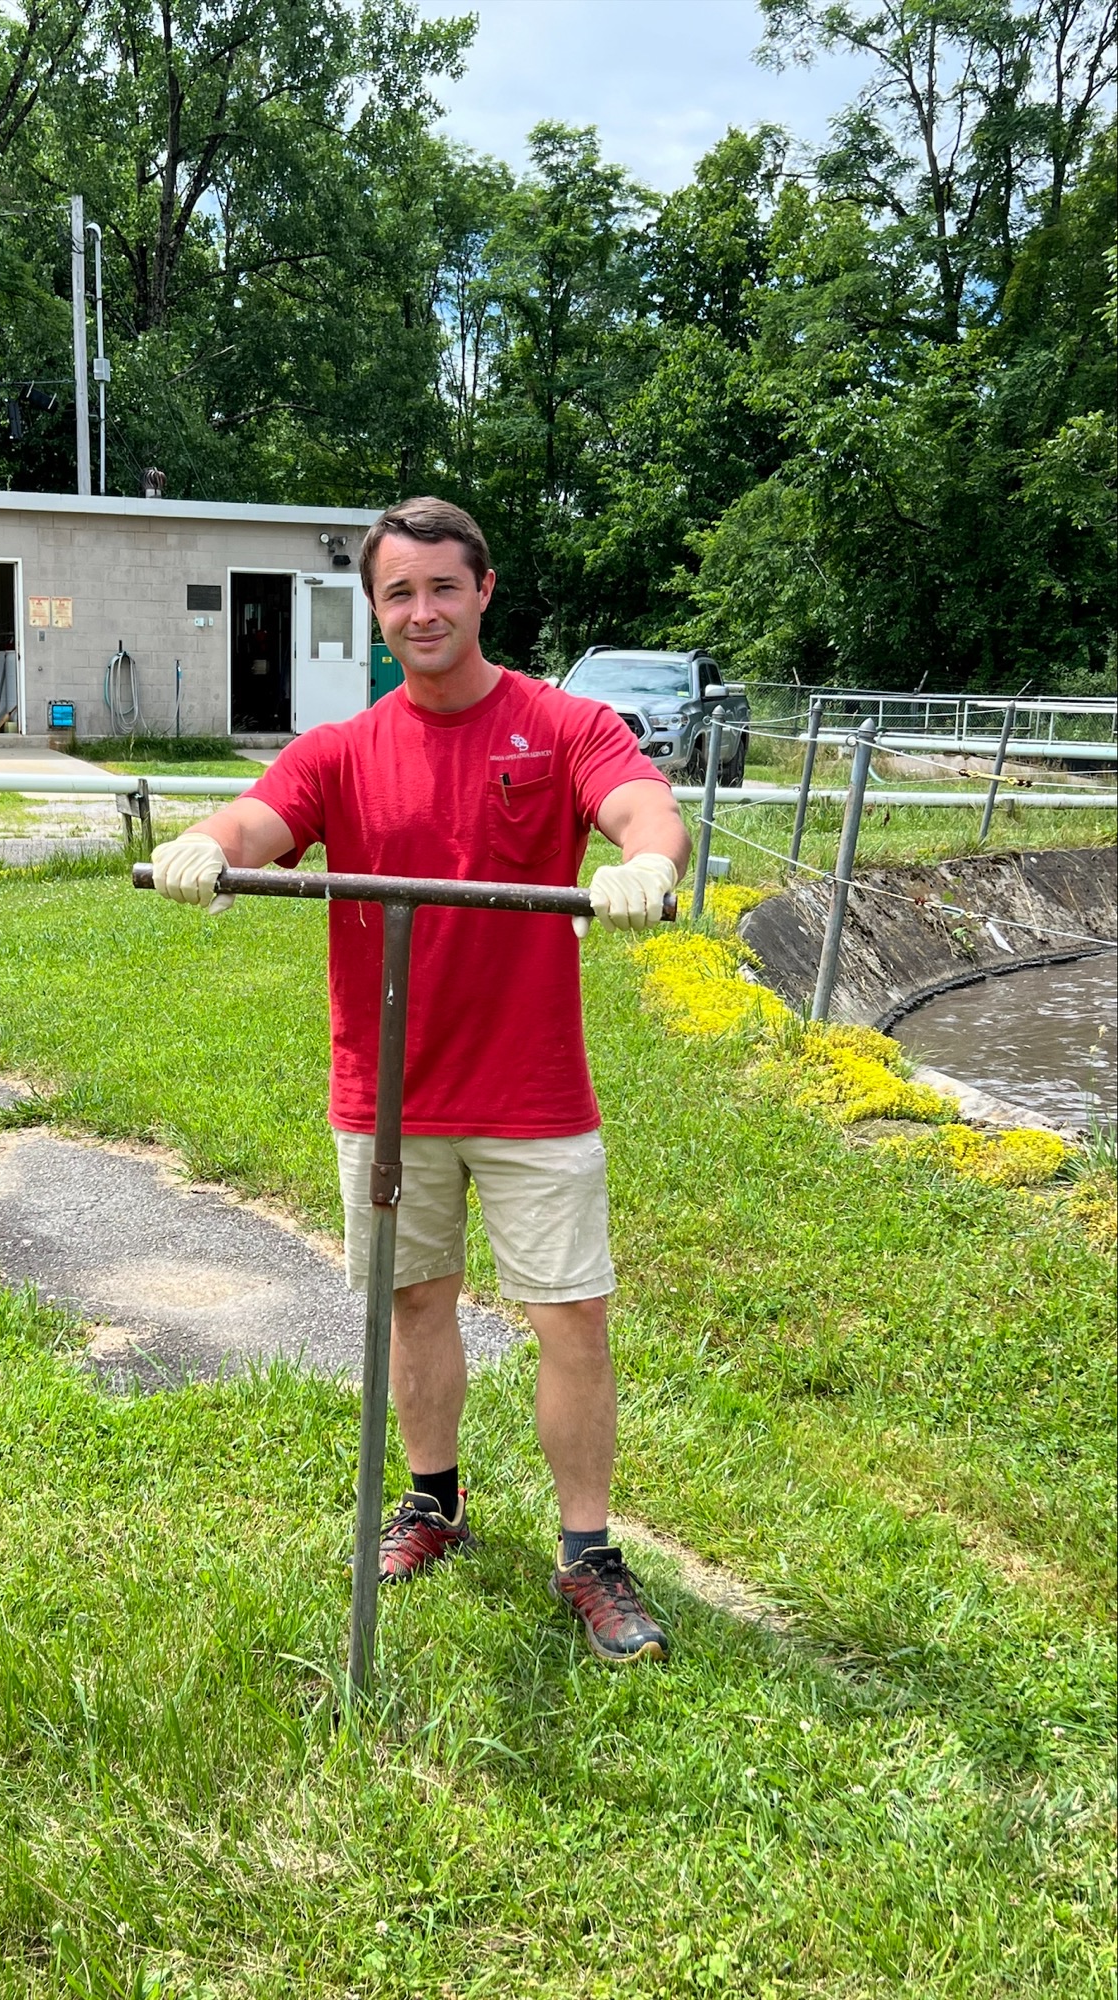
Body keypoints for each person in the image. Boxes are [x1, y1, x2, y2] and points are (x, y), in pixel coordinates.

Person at [149, 497, 690, 1664]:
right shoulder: (345, 747)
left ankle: (587, 1551)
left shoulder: (559, 722)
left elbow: (638, 800)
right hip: (388, 1088)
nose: (422, 610)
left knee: (571, 1317)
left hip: (533, 1087)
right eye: (399, 593)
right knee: (415, 1301)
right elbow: (259, 815)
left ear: (483, 589)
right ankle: (432, 1501)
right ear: (377, 610)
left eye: (443, 586)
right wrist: (209, 843)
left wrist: (646, 857)